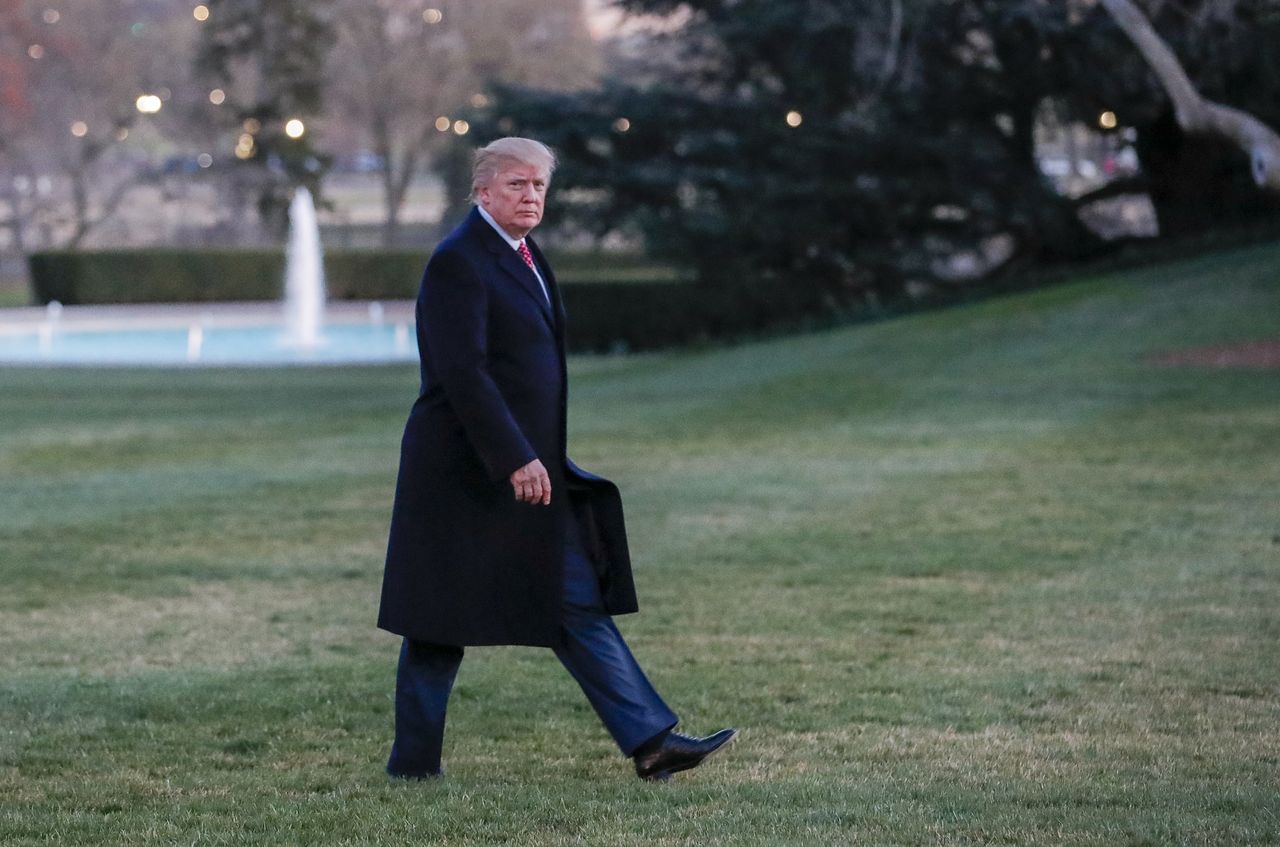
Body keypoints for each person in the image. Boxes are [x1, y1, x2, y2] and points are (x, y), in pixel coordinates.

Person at [377, 137, 735, 781]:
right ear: (482, 192)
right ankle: (412, 766)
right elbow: (463, 373)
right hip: (466, 474)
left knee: (571, 599)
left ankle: (653, 743)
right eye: (517, 185)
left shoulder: (524, 252)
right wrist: (515, 456)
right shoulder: (458, 260)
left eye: (539, 186)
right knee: (436, 621)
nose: (531, 197)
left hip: (528, 473)